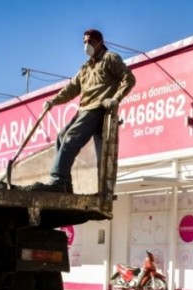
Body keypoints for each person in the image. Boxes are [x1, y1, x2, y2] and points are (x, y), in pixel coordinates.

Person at [29, 29, 136, 193]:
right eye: (84, 42)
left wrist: (115, 99)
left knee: (70, 139)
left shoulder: (110, 58)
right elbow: (71, 88)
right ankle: (65, 184)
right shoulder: (85, 67)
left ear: (100, 43)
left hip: (98, 109)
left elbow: (129, 78)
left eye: (90, 42)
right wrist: (53, 101)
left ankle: (58, 180)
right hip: (84, 110)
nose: (87, 45)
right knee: (61, 137)